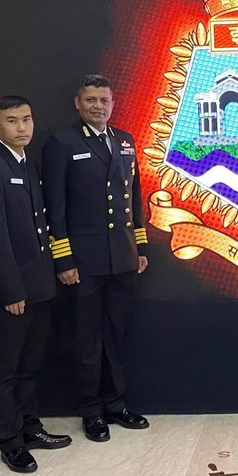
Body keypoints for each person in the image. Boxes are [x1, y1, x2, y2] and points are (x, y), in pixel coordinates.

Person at [42, 75, 149, 442]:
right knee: (87, 340)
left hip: (122, 256)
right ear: (77, 103)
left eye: (104, 100)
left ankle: (116, 404)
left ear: (112, 103)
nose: (98, 106)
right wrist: (63, 259)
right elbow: (54, 209)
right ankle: (90, 411)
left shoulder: (124, 140)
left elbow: (134, 198)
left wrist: (140, 248)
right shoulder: (61, 143)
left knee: (117, 336)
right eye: (90, 100)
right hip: (84, 262)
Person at [0, 96, 72, 473]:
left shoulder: (28, 164)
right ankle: (10, 441)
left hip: (40, 284)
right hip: (11, 292)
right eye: (12, 121)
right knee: (5, 368)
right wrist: (12, 291)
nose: (22, 127)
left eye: (27, 119)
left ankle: (30, 426)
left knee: (31, 362)